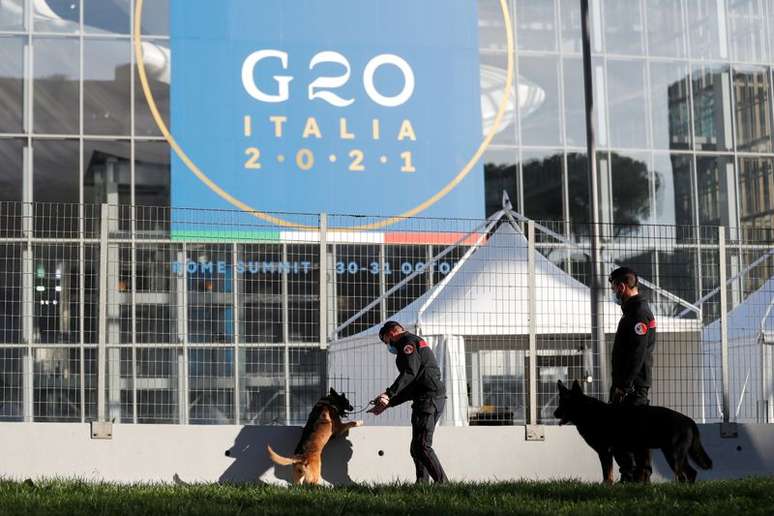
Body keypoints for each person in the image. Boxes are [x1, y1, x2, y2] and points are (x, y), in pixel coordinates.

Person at [368, 321, 448, 483]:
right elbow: (412, 384)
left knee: (422, 445)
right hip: (429, 397)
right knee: (417, 447)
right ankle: (422, 484)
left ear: (391, 334)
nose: (388, 346)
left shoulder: (407, 343)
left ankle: (443, 483)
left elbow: (409, 373)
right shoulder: (413, 342)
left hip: (428, 399)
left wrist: (388, 393)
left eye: (386, 341)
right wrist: (389, 402)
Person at [608, 266, 657, 482]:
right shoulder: (634, 312)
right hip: (629, 385)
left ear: (622, 287)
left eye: (614, 289)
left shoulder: (638, 314)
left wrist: (623, 386)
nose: (614, 294)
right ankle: (635, 477)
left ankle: (634, 476)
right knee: (629, 434)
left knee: (625, 434)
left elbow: (637, 355)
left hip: (632, 387)